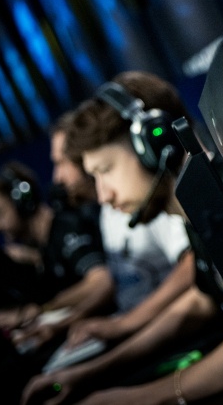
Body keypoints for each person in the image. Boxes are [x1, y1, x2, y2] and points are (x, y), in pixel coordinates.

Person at [20, 71, 223, 405]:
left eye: (106, 170)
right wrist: (92, 372)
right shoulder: (197, 207)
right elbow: (202, 300)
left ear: (154, 145)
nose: (103, 195)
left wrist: (145, 397)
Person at [47, 110, 194, 351]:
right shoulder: (108, 210)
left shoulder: (147, 199)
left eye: (62, 162)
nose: (58, 177)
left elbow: (191, 268)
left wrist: (124, 325)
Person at [0, 161, 113, 356]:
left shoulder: (66, 229)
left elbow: (101, 281)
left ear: (22, 202)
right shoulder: (39, 250)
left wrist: (42, 309)